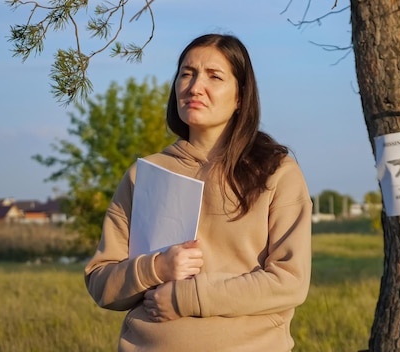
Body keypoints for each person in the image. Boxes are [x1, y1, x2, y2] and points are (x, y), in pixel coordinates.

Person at [84, 33, 312, 351]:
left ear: (239, 97)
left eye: (214, 76)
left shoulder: (276, 171)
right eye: (187, 74)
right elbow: (100, 282)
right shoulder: (146, 173)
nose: (194, 87)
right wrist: (156, 268)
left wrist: (185, 297)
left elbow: (290, 282)